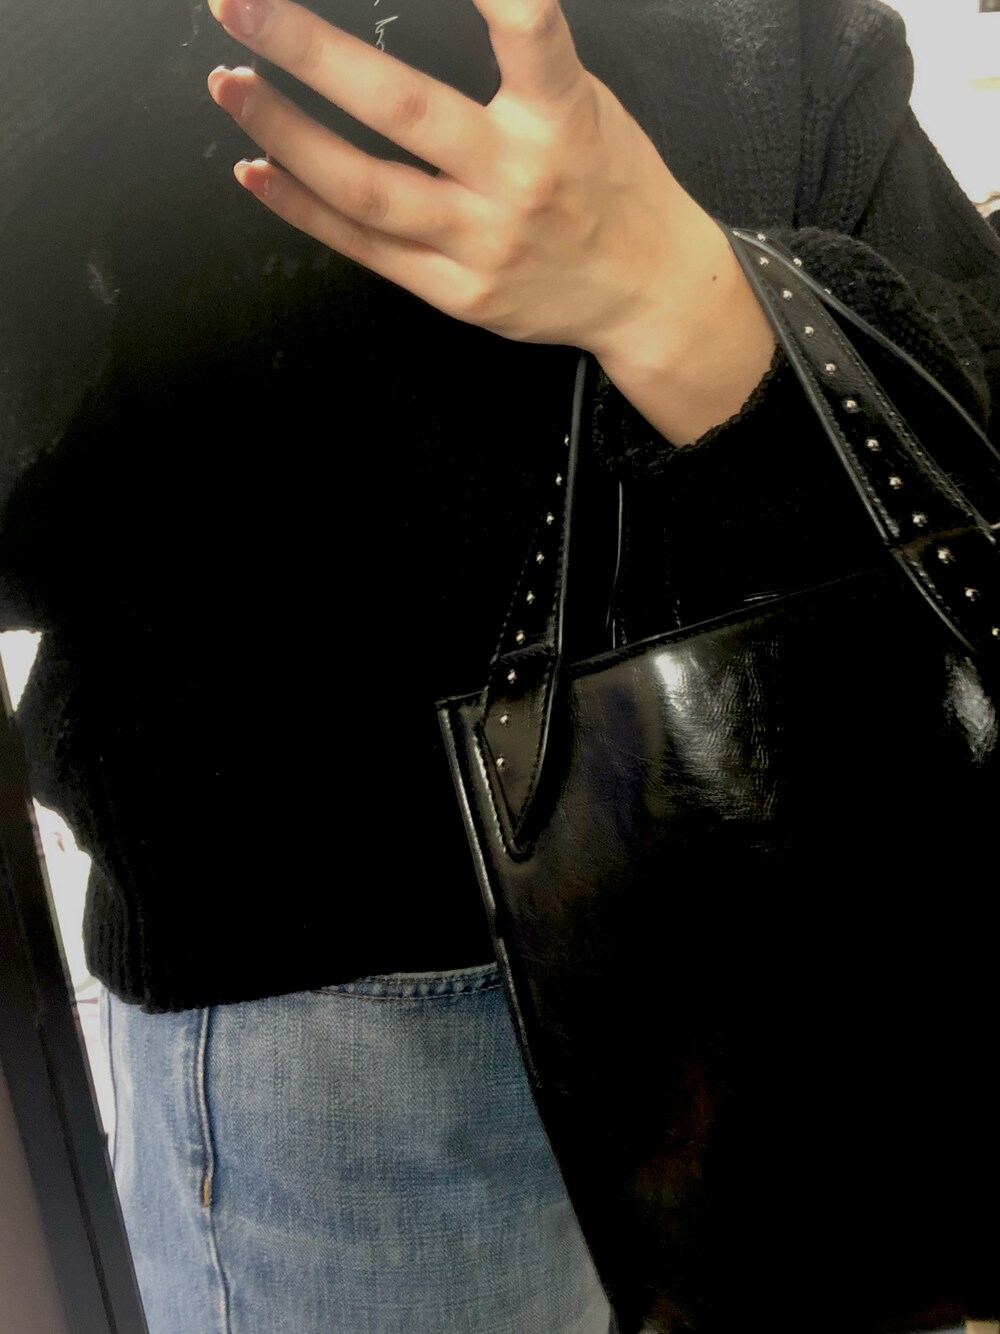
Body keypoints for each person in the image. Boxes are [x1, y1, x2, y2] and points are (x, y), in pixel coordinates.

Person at [1, 0, 998, 1331]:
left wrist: (678, 297)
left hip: (817, 939)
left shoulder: (761, 31)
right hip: (351, 1035)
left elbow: (970, 439)